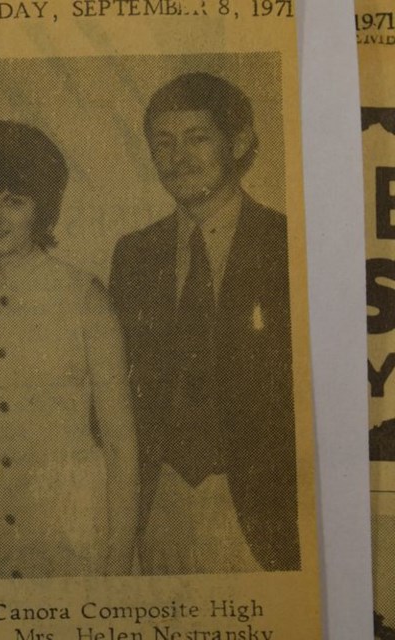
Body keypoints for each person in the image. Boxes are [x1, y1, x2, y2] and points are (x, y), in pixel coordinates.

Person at [0, 120, 138, 579]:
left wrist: (117, 568)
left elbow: (121, 445)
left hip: (72, 541)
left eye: (14, 201)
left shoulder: (85, 300)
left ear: (43, 210)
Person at [108, 72, 299, 574]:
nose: (179, 158)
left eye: (197, 138)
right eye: (164, 143)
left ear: (237, 143)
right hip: (161, 506)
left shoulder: (288, 245)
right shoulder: (134, 255)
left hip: (260, 512)